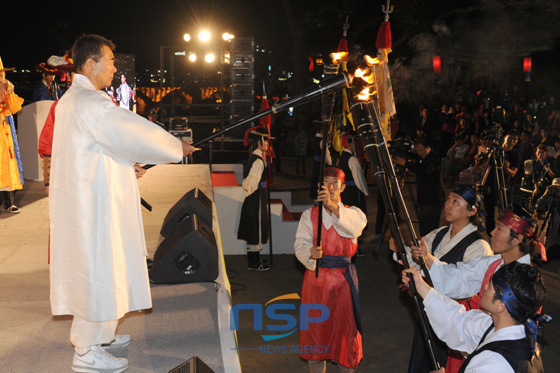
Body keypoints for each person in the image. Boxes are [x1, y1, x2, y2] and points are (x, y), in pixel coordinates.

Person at [49, 34, 196, 373]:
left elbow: (96, 148)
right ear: (90, 64)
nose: (115, 67)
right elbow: (130, 130)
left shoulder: (78, 100)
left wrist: (125, 164)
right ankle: (86, 352)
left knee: (103, 269)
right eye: (110, 60)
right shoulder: (90, 102)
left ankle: (100, 336)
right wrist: (174, 146)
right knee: (98, 271)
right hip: (93, 208)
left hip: (90, 200)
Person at [389, 185, 493, 373]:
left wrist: (428, 259)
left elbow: (464, 285)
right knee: (423, 360)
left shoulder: (479, 247)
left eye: (456, 201)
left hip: (455, 318)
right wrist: (401, 250)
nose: (448, 205)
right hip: (429, 308)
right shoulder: (439, 234)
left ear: (472, 210)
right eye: (448, 199)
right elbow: (417, 258)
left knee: (442, 362)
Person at [402, 261, 547, 373]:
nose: (484, 287)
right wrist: (420, 285)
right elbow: (457, 322)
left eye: (490, 285)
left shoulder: (495, 363)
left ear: (501, 306)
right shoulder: (510, 329)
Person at [294, 166, 367, 373]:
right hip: (315, 284)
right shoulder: (310, 215)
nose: (330, 185)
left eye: (335, 182)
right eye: (325, 181)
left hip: (344, 285)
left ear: (343, 187)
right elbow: (300, 244)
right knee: (315, 337)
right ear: (319, 186)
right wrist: (310, 252)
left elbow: (352, 228)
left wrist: (333, 207)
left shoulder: (355, 214)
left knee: (345, 336)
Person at [412, 204, 547, 304]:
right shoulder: (493, 263)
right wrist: (427, 260)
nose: (492, 233)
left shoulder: (527, 281)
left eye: (499, 229)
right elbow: (458, 277)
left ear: (518, 239)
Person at [394, 136, 445, 236]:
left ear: (428, 147)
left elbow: (425, 170)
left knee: (431, 227)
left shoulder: (434, 158)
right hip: (423, 198)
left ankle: (431, 246)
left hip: (433, 198)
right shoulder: (420, 157)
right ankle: (424, 242)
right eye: (417, 151)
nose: (419, 153)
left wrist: (406, 164)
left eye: (421, 150)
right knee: (423, 225)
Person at [237, 128, 272, 271]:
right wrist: (255, 193)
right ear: (259, 143)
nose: (268, 146)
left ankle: (254, 260)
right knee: (256, 227)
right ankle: (254, 262)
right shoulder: (258, 161)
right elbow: (250, 182)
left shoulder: (257, 157)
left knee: (254, 227)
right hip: (256, 196)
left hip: (256, 195)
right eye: (266, 143)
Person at [0, 57, 24, 214]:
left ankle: (8, 203)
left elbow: (14, 108)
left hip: (5, 134)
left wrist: (8, 91)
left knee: (8, 166)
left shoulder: (7, 88)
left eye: (2, 74)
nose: (1, 77)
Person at [535, 178, 560, 261]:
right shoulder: (551, 196)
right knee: (549, 247)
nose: (557, 189)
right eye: (555, 187)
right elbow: (538, 206)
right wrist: (545, 194)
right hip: (552, 223)